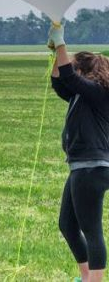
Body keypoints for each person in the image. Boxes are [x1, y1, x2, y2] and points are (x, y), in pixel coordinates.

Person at [50, 23, 109, 282]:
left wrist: (62, 42)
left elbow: (69, 78)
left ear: (85, 71)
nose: (71, 69)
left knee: (92, 228)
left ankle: (95, 280)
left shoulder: (98, 93)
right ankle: (86, 276)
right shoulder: (79, 95)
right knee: (67, 225)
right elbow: (59, 82)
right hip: (82, 167)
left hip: (91, 167)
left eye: (75, 66)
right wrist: (55, 51)